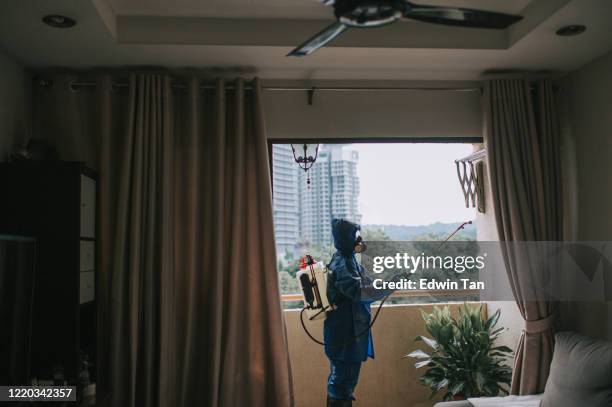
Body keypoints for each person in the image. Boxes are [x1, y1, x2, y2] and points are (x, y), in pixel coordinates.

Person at [324, 218, 387, 407]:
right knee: (342, 384)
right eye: (355, 235)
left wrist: (390, 282)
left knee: (343, 383)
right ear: (345, 238)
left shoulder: (349, 259)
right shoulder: (342, 263)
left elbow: (367, 283)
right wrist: (390, 285)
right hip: (345, 334)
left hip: (348, 332)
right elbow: (359, 291)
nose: (359, 240)